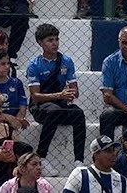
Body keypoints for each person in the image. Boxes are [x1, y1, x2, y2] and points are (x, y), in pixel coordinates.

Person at [25, 23, 85, 163]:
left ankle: (78, 161)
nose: (55, 43)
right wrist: (60, 95)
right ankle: (42, 157)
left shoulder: (66, 61)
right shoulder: (34, 65)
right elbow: (35, 96)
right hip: (40, 107)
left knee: (78, 114)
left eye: (56, 39)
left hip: (60, 103)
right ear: (40, 43)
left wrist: (71, 93)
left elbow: (75, 90)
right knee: (53, 111)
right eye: (50, 40)